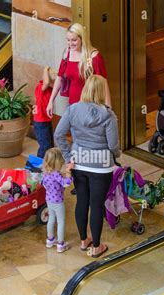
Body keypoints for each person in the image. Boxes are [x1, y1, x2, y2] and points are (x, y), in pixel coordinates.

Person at [54, 75, 121, 258]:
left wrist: (69, 157)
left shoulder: (72, 110)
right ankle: (97, 247)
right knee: (97, 205)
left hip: (79, 163)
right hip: (101, 167)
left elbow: (58, 134)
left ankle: (84, 241)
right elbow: (113, 144)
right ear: (100, 92)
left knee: (82, 200)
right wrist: (116, 155)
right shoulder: (108, 115)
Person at [46, 22, 111, 194]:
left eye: (74, 40)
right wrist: (51, 100)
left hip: (91, 109)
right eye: (68, 40)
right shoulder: (67, 54)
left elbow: (103, 84)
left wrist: (109, 109)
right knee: (77, 143)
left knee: (91, 143)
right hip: (73, 109)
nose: (70, 44)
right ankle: (79, 179)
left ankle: (93, 177)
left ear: (82, 38)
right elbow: (60, 77)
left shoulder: (94, 56)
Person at [41, 148, 74, 253]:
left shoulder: (46, 173)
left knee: (51, 219)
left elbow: (43, 184)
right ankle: (60, 244)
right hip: (58, 202)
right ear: (57, 162)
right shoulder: (56, 174)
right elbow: (66, 184)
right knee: (61, 221)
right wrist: (69, 174)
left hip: (49, 200)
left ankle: (50, 240)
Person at [33, 66, 57, 158]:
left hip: (46, 120)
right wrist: (45, 70)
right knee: (44, 146)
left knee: (49, 144)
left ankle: (48, 163)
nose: (55, 83)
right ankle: (37, 165)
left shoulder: (50, 89)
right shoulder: (40, 87)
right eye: (53, 82)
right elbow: (46, 82)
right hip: (40, 122)